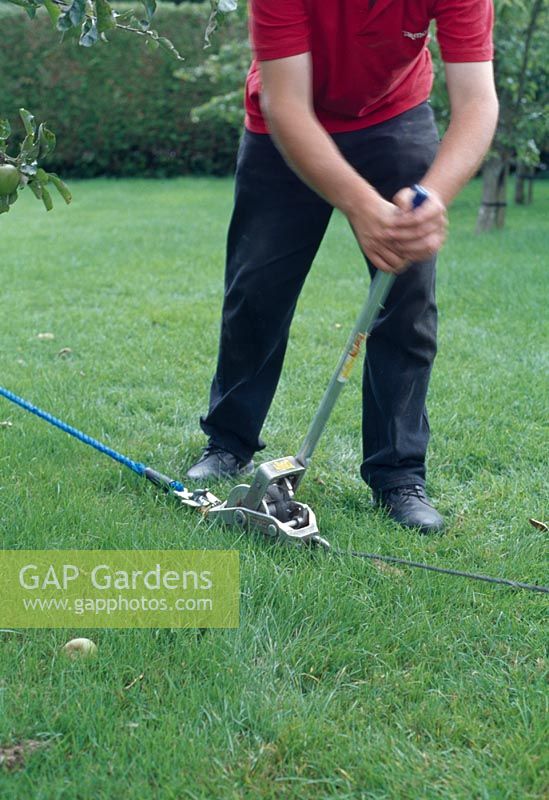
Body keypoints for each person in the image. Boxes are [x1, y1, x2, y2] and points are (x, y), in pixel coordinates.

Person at [187, 0, 498, 534]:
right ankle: (229, 442)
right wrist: (360, 204)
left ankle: (398, 474)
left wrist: (428, 202)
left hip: (393, 116)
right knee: (256, 292)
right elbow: (286, 105)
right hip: (282, 123)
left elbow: (477, 102)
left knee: (407, 303)